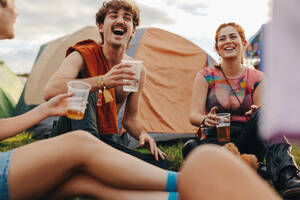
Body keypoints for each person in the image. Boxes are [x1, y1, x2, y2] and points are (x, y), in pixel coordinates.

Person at [43, 0, 168, 169]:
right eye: (114, 15)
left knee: (161, 163)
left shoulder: (137, 70)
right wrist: (102, 81)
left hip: (107, 137)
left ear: (133, 30)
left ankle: (95, 164)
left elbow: (130, 119)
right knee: (87, 91)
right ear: (101, 26)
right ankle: (96, 161)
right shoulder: (82, 55)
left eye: (127, 18)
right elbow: (50, 91)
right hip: (68, 134)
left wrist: (142, 134)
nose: (120, 21)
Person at [182, 22, 300, 199]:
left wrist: (256, 112)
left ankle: (287, 176)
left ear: (243, 43)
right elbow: (193, 115)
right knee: (190, 147)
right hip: (216, 140)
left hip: (247, 140)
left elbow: (263, 114)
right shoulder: (205, 75)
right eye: (222, 38)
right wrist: (205, 120)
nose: (227, 41)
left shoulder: (258, 77)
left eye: (232, 36)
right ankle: (254, 167)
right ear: (217, 47)